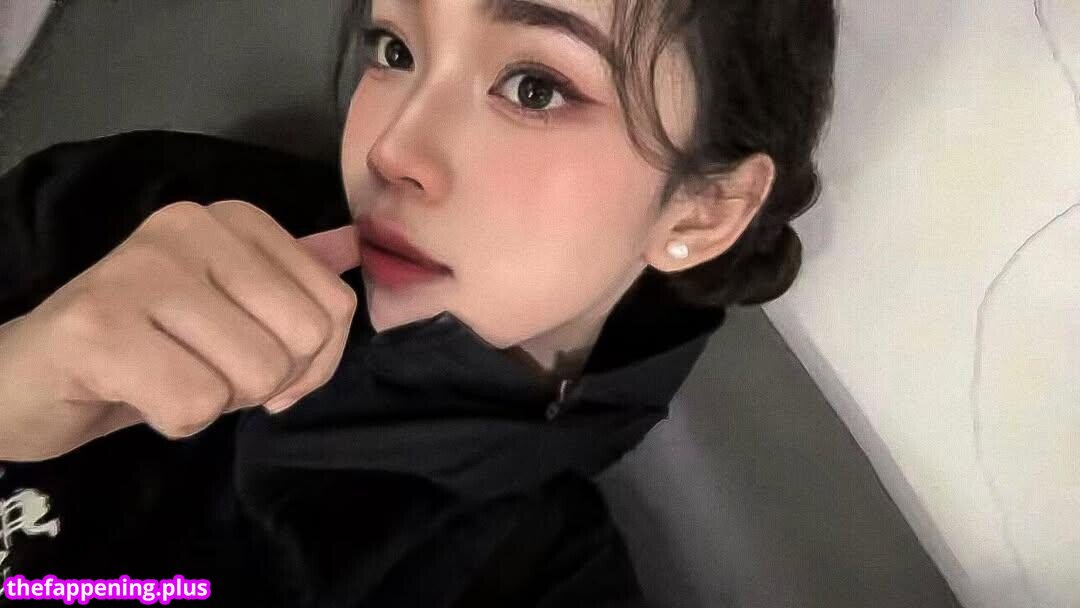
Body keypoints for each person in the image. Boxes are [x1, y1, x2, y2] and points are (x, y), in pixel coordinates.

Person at [0, 0, 907, 605]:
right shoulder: (123, 208)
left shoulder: (534, 582)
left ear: (702, 211)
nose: (392, 147)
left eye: (534, 88)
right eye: (394, 50)